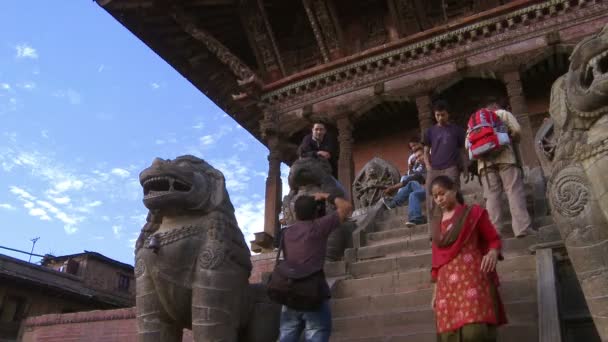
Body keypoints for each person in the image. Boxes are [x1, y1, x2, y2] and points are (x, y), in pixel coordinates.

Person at [430, 176, 507, 342]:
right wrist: (435, 291)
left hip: (471, 278)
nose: (439, 199)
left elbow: (494, 239)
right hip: (446, 286)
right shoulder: (436, 225)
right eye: (435, 196)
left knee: (475, 331)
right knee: (448, 332)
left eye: (442, 193)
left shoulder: (473, 213)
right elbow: (436, 260)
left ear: (454, 190)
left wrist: (492, 253)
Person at [279, 192, 353, 342]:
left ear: (295, 212)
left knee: (287, 335)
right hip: (313, 291)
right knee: (317, 332)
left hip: (289, 291)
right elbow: (346, 207)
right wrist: (326, 195)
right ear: (315, 211)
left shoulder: (286, 232)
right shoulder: (319, 226)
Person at [472, 102, 534, 238]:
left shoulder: (474, 121)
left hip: (485, 163)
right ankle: (522, 228)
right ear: (497, 107)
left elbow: (468, 145)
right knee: (513, 191)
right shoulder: (503, 114)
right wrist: (511, 140)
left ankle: (494, 233)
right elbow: (517, 130)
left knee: (492, 197)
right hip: (506, 158)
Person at [423, 100, 468, 238]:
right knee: (431, 201)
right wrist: (428, 167)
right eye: (437, 115)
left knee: (454, 197)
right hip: (434, 169)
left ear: (448, 114)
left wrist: (465, 167)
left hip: (451, 168)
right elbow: (426, 151)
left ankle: (458, 229)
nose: (440, 118)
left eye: (443, 115)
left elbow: (462, 151)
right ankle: (434, 234)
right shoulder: (430, 131)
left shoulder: (457, 130)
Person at [382, 147, 427, 226]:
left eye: (420, 156)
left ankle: (416, 218)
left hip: (433, 190)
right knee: (411, 183)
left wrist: (392, 188)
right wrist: (391, 188)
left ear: (426, 153)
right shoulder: (422, 169)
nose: (418, 159)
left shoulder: (432, 163)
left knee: (413, 194)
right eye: (416, 158)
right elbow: (409, 179)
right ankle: (393, 203)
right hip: (425, 189)